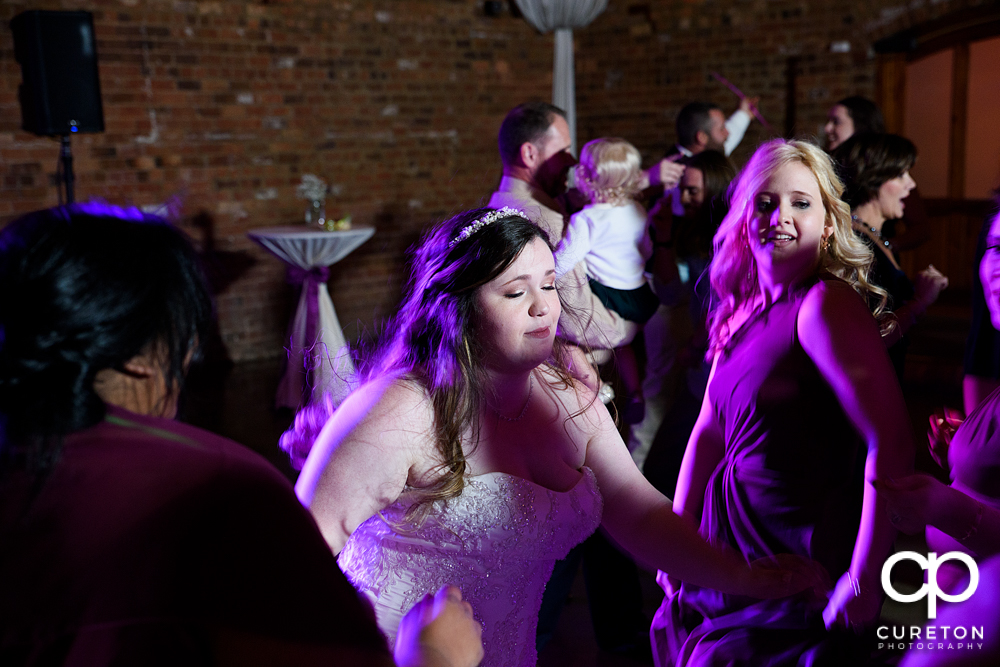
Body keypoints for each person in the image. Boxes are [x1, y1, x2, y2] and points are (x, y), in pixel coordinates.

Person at [294, 207, 824, 667]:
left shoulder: (568, 399)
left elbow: (639, 515)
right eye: (515, 291)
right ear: (457, 310)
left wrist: (746, 577)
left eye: (548, 283)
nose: (544, 306)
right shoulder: (403, 410)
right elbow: (291, 560)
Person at [0, 203, 483, 667]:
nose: (189, 359)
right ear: (143, 354)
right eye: (186, 338)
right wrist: (434, 655)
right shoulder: (220, 490)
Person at [653, 139, 915, 666]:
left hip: (795, 553)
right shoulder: (739, 308)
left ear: (827, 221)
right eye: (765, 202)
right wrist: (677, 539)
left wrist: (865, 576)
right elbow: (708, 429)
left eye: (801, 202)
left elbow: (889, 440)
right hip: (724, 547)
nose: (780, 216)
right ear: (744, 215)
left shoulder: (825, 304)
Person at [488, 102, 683, 370]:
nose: (572, 161)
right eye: (564, 150)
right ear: (530, 154)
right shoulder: (544, 222)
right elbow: (582, 319)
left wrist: (643, 180)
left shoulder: (505, 202)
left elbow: (598, 195)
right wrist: (633, 323)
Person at [634, 150, 736, 490]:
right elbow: (671, 293)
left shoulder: (735, 237)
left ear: (718, 188)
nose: (685, 197)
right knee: (671, 467)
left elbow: (727, 304)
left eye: (693, 190)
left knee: (671, 467)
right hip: (701, 372)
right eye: (683, 189)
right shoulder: (692, 232)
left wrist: (694, 346)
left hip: (720, 372)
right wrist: (662, 238)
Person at [554, 137, 660, 422]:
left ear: (587, 178)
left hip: (611, 295)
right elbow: (646, 249)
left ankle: (597, 390)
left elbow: (564, 260)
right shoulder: (638, 209)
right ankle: (636, 392)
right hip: (640, 294)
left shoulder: (587, 219)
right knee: (624, 346)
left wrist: (545, 274)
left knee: (567, 340)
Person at [833, 132, 949, 380]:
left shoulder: (872, 236)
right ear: (872, 178)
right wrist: (920, 301)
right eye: (900, 175)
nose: (911, 184)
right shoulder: (855, 246)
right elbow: (868, 339)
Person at [824, 96, 931, 253]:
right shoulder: (829, 166)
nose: (827, 128)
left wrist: (882, 247)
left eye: (836, 121)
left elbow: (921, 228)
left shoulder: (886, 175)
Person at [670, 99, 759, 159]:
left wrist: (744, 113)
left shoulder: (710, 149)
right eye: (721, 128)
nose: (728, 132)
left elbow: (735, 127)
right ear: (702, 137)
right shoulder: (674, 175)